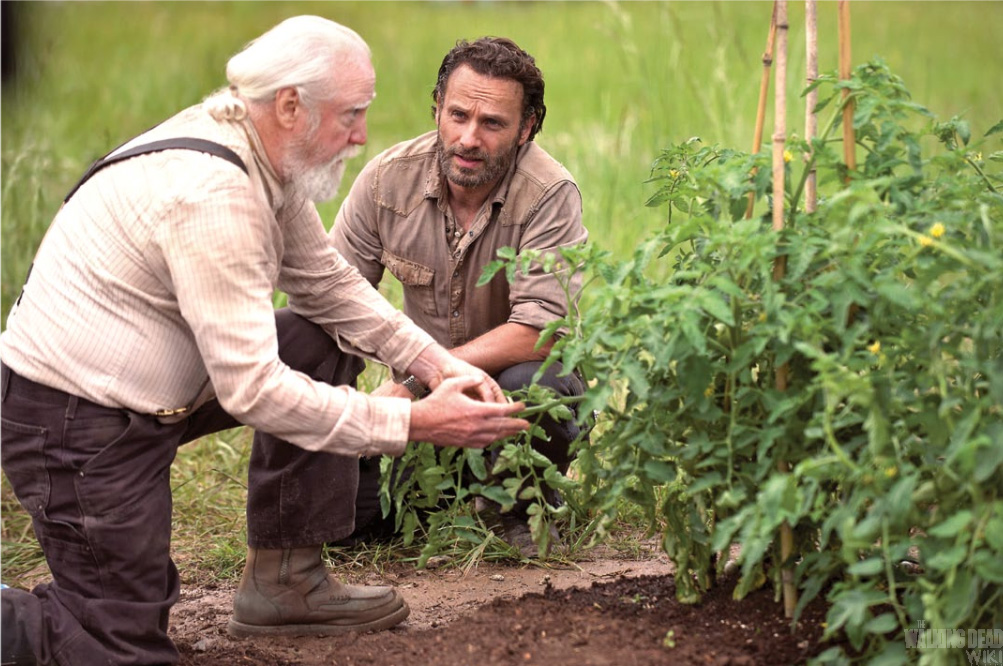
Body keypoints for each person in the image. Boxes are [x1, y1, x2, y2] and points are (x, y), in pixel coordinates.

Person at [0, 16, 530, 666]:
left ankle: (286, 585)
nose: (362, 137)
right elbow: (252, 389)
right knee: (118, 645)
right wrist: (413, 421)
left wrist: (435, 363)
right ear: (289, 106)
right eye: (351, 115)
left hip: (151, 397)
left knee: (316, 336)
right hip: (76, 426)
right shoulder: (213, 197)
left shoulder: (259, 151)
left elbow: (326, 283)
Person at [329, 37, 590, 555]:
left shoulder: (548, 193)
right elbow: (330, 301)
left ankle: (514, 510)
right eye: (458, 115)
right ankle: (366, 502)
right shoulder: (386, 182)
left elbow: (539, 333)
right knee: (365, 534)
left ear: (527, 128)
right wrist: (355, 406)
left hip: (496, 396)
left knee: (541, 385)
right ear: (437, 108)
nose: (468, 138)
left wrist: (414, 376)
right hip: (425, 406)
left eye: (492, 123)